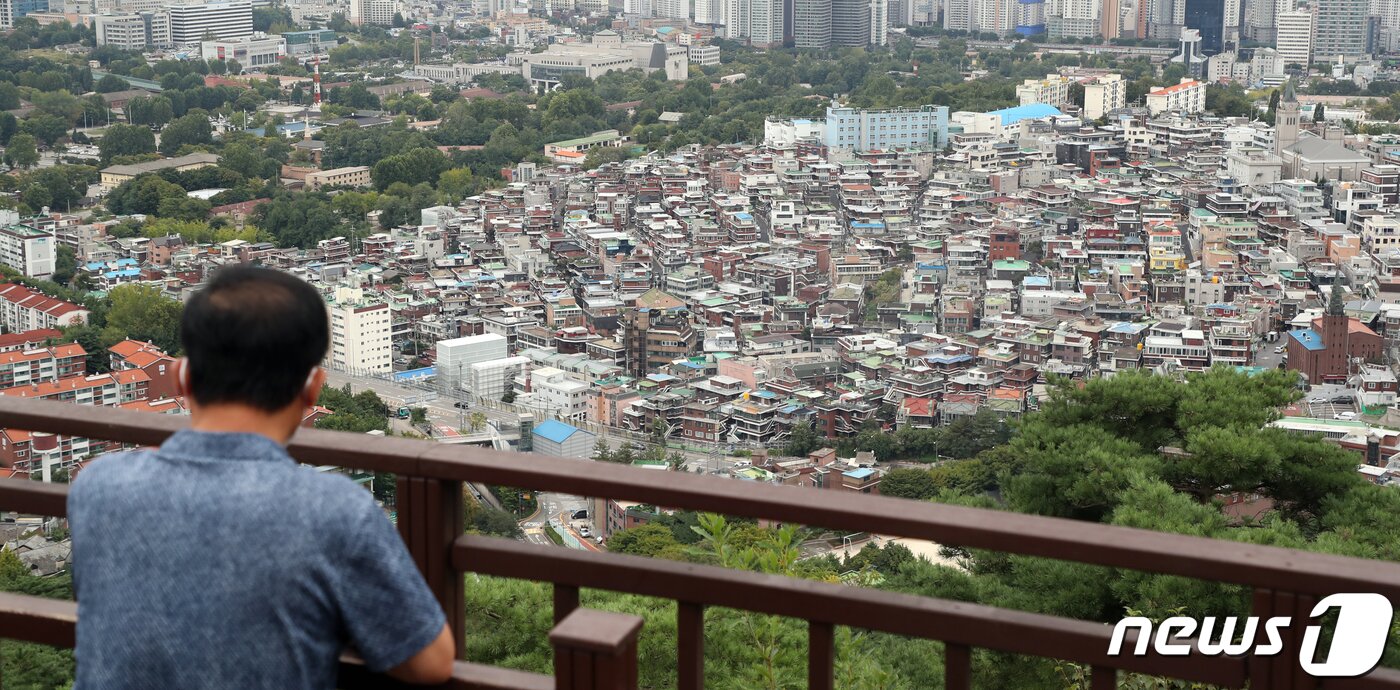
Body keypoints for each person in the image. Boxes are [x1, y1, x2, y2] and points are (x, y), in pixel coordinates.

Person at [68, 265, 455, 688]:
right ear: (313, 388)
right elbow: (430, 663)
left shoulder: (99, 487)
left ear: (182, 377)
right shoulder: (332, 510)